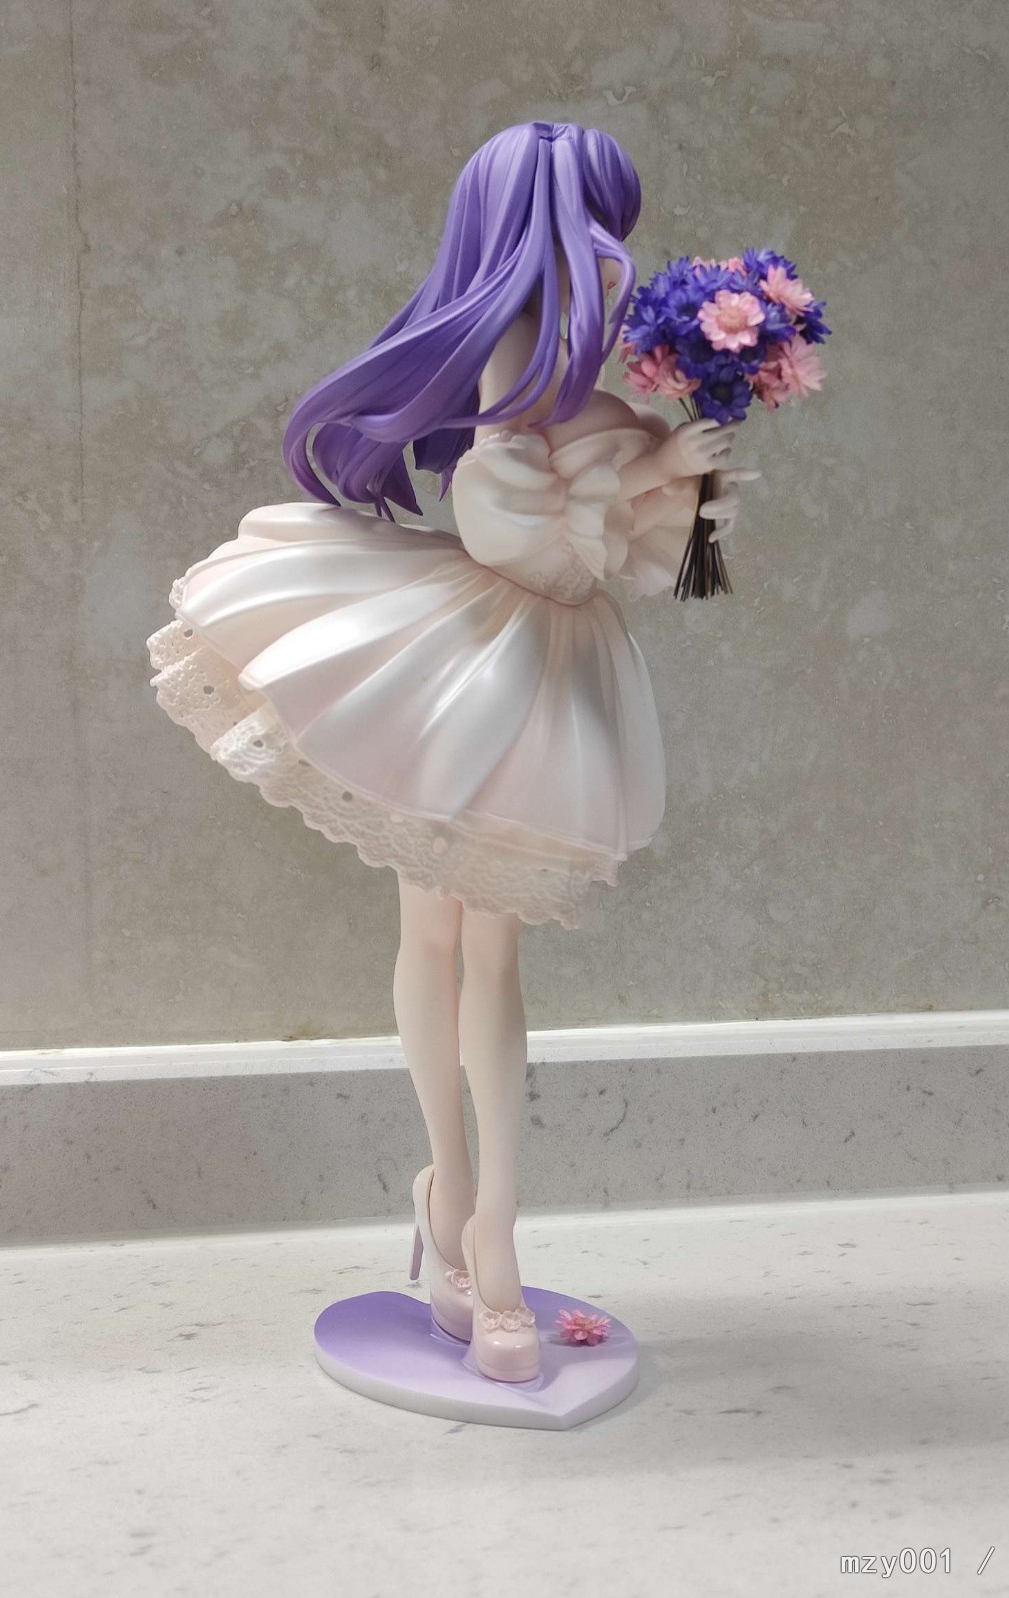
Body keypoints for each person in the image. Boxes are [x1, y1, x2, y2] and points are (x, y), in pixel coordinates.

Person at [147, 121, 751, 1383]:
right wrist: (649, 471)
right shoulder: (521, 363)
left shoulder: (600, 373)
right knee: (440, 935)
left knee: (490, 950)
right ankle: (461, 1206)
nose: (611, 257)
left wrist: (684, 463)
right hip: (477, 659)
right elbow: (510, 531)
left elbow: (658, 561)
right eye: (592, 227)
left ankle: (488, 1222)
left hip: (547, 665)